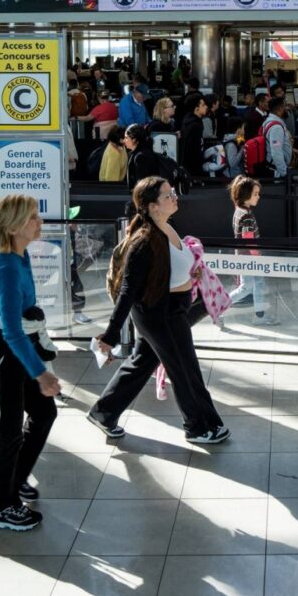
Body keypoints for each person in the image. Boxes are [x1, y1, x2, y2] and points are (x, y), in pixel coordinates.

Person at [89, 177, 229, 443]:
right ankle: (198, 427)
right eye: (167, 195)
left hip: (171, 309)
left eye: (172, 193)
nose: (174, 197)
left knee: (142, 363)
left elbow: (172, 267)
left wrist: (192, 273)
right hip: (159, 314)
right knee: (184, 368)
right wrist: (111, 333)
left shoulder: (167, 228)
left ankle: (103, 412)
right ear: (152, 206)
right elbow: (128, 291)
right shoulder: (144, 242)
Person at [0, 195, 61, 531]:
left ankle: (14, 480)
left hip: (18, 350)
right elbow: (9, 330)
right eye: (33, 218)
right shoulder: (7, 266)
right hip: (5, 356)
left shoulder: (19, 258)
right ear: (13, 226)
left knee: (43, 413)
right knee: (7, 432)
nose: (39, 222)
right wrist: (40, 373)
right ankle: (1, 507)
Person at [227, 176, 278, 326]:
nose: (258, 196)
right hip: (249, 259)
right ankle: (218, 306)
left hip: (245, 257)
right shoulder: (247, 216)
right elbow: (248, 240)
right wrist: (258, 257)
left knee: (257, 285)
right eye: (255, 193)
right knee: (246, 288)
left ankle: (260, 316)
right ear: (246, 195)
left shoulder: (239, 210)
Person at [262, 95, 293, 178]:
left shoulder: (268, 121)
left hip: (274, 167)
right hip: (276, 171)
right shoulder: (276, 128)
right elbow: (276, 152)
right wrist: (285, 173)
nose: (287, 109)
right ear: (280, 109)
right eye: (285, 106)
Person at [178, 95, 207, 177]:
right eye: (203, 105)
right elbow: (194, 147)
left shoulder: (188, 120)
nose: (206, 107)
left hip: (186, 165)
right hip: (193, 167)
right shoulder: (195, 124)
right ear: (196, 108)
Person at [123, 124, 159, 190]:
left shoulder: (141, 157)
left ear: (134, 139)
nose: (124, 140)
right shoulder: (139, 153)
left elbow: (142, 183)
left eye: (126, 137)